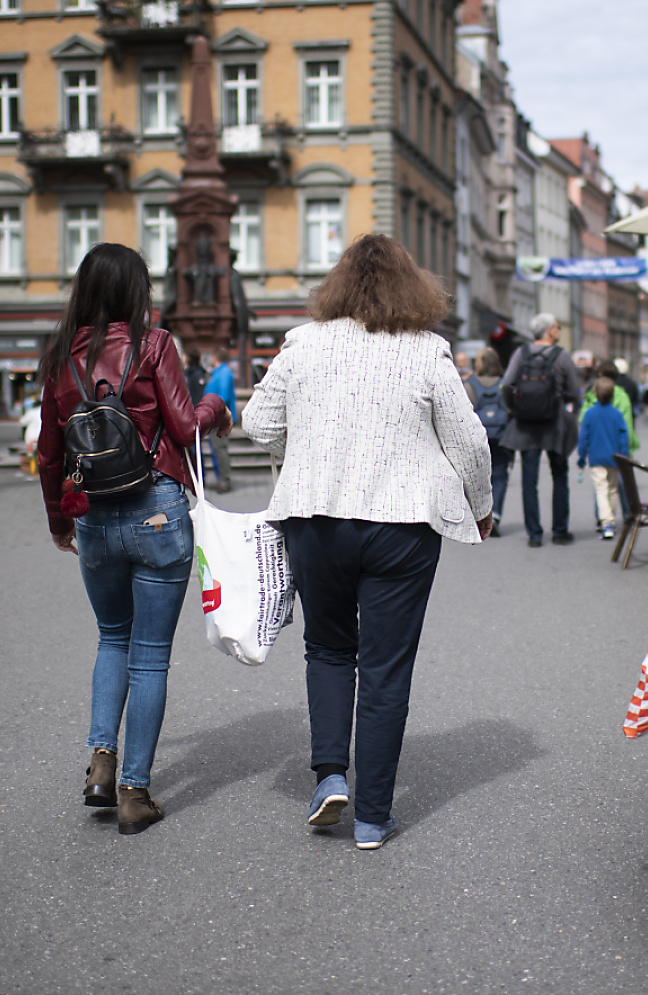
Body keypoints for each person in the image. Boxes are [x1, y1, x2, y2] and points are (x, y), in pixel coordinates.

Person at [243, 233, 492, 851]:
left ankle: (330, 776)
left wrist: (301, 451)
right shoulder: (428, 350)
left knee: (327, 649)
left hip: (316, 517)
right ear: (412, 286)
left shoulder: (303, 345)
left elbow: (258, 423)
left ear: (338, 285)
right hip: (402, 527)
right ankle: (374, 818)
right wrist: (481, 508)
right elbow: (469, 441)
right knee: (385, 667)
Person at [36, 243, 232, 836]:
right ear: (134, 291)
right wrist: (217, 405)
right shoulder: (154, 344)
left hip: (92, 516)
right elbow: (186, 425)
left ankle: (101, 759)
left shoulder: (59, 357)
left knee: (110, 640)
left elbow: (48, 452)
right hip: (156, 514)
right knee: (149, 656)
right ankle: (134, 792)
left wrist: (59, 521)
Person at [499, 313, 580, 547]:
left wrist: (516, 408)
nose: (559, 330)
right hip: (554, 422)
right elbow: (574, 391)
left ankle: (534, 535)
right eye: (557, 327)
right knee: (560, 476)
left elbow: (507, 384)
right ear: (549, 331)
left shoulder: (521, 353)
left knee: (528, 480)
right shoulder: (562, 355)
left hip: (526, 424)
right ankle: (560, 531)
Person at [465, 346, 512, 537]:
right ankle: (497, 515)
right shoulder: (503, 384)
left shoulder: (470, 384)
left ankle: (480, 516)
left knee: (478, 476)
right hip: (501, 435)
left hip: (479, 436)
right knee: (500, 475)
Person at [578, 377, 631, 540]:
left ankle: (606, 522)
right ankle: (611, 520)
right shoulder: (617, 414)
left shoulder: (589, 414)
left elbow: (583, 438)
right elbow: (624, 436)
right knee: (612, 490)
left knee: (601, 490)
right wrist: (624, 456)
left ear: (595, 393)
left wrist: (581, 458)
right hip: (614, 458)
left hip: (596, 458)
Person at [203, 347, 236, 493]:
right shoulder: (219, 372)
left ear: (216, 357)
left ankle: (225, 481)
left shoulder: (223, 373)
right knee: (216, 449)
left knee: (220, 449)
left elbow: (222, 396)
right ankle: (220, 479)